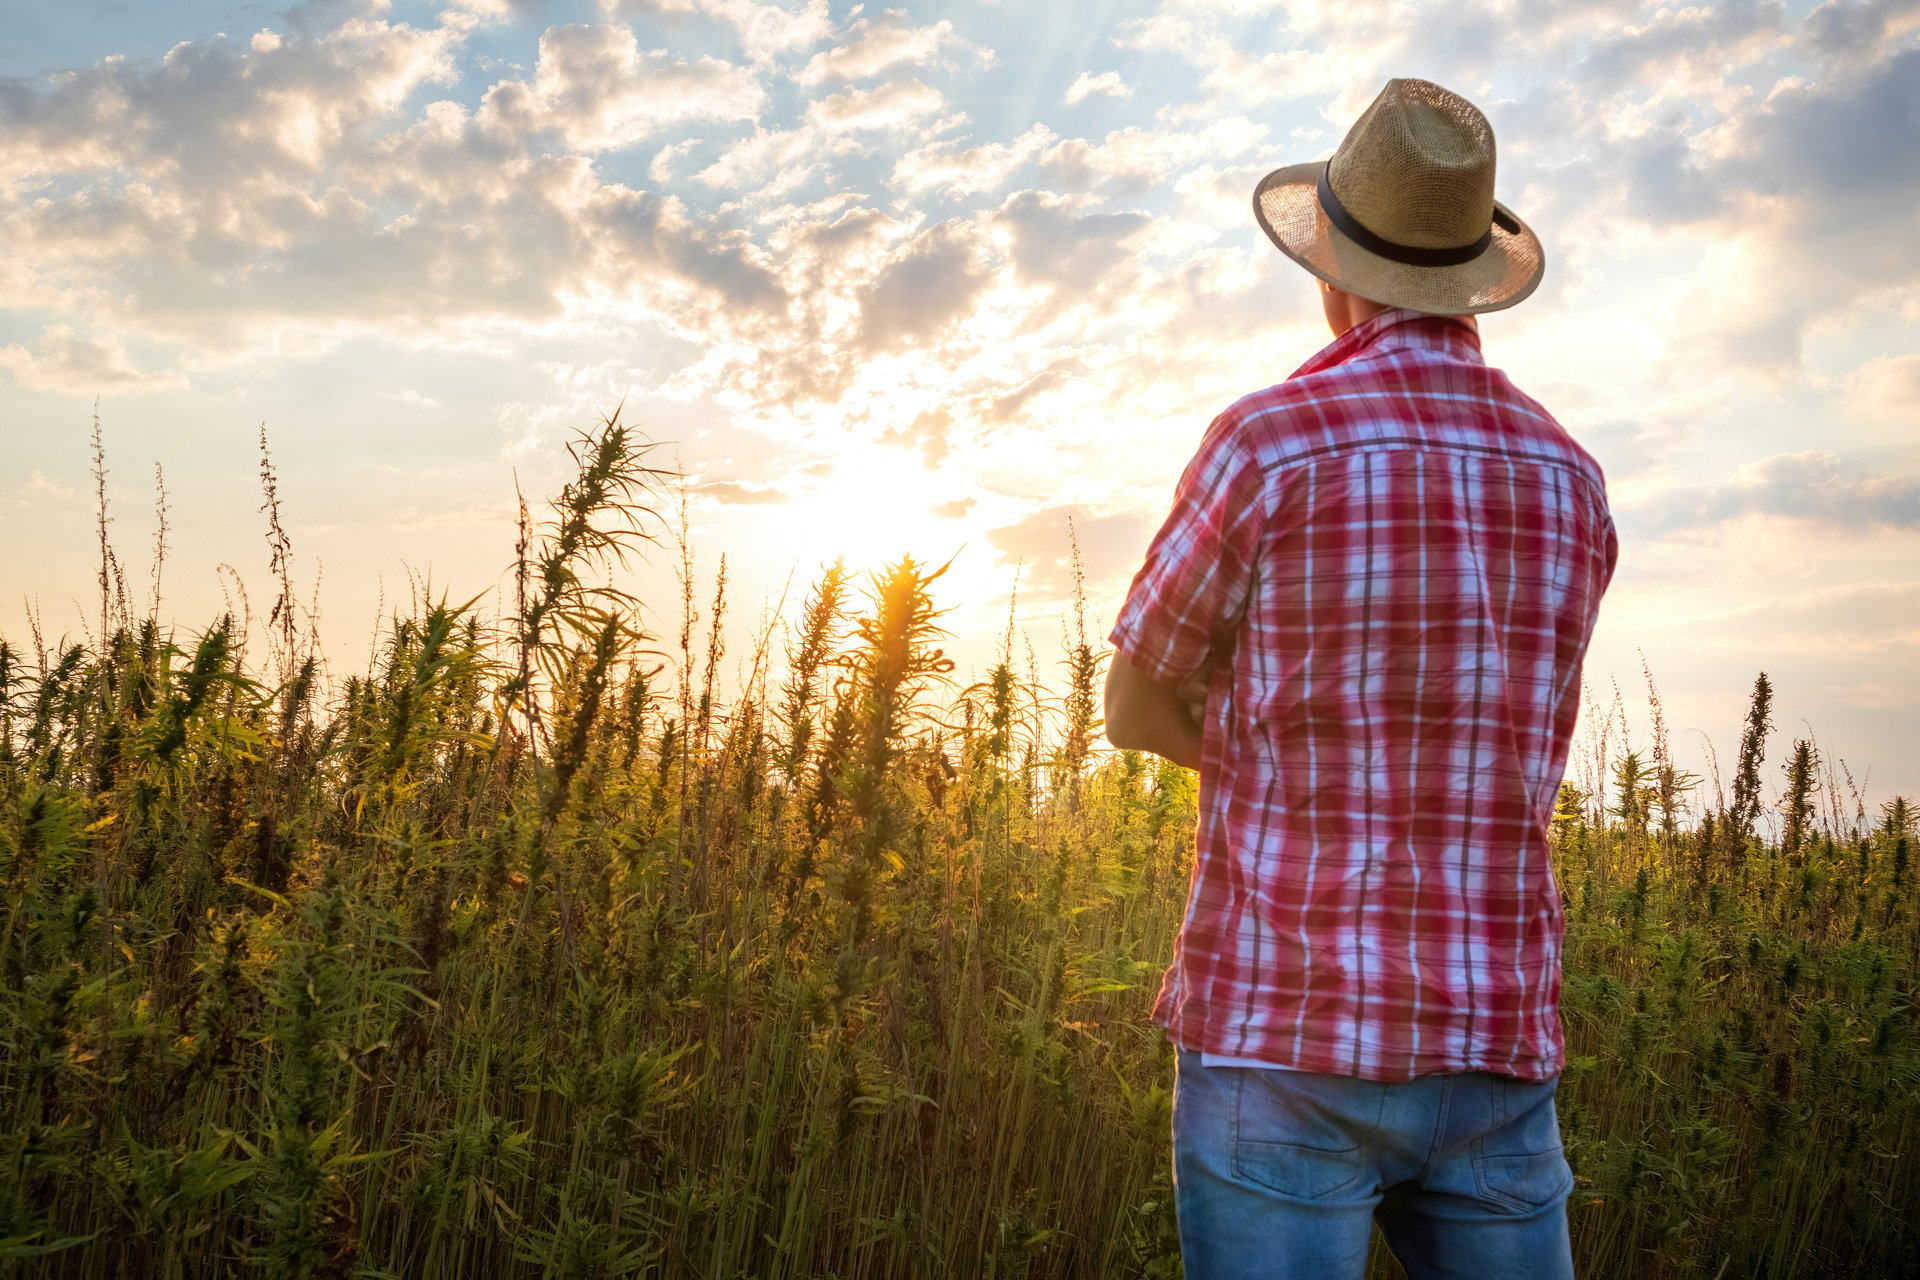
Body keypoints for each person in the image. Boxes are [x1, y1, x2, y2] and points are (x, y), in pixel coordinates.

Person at [1104, 78, 1618, 1280]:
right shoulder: (1571, 479)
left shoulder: (1271, 440)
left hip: (1283, 1028)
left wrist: (1272, 747)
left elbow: (1134, 704)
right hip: (1494, 1038)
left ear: (1330, 259)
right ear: (1471, 274)